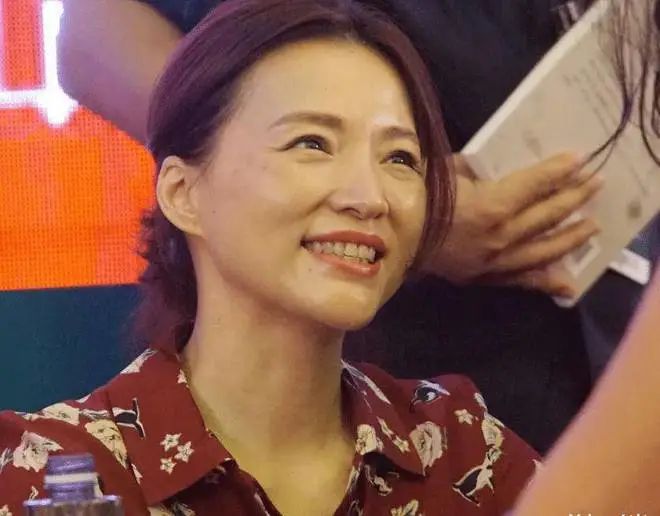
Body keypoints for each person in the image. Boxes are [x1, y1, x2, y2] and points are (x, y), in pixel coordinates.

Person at [2, 1, 660, 514]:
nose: (368, 197)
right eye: (312, 144)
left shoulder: (461, 452)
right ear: (182, 191)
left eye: (401, 158)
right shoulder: (53, 471)